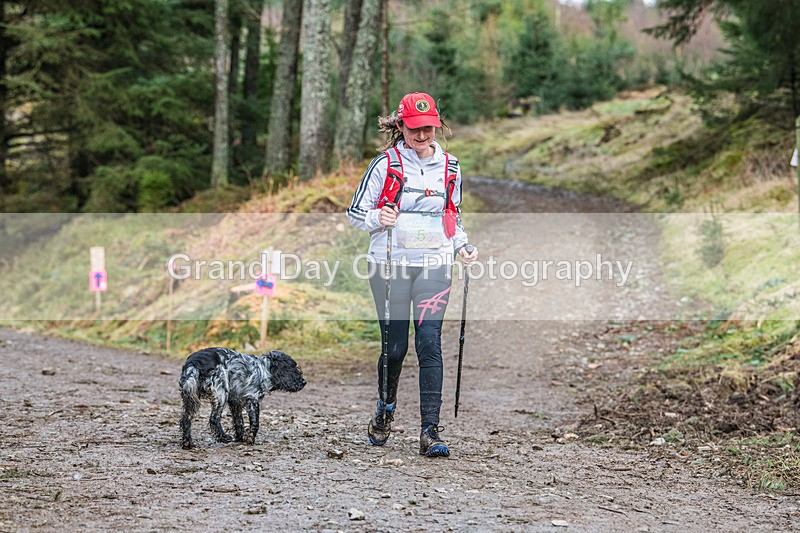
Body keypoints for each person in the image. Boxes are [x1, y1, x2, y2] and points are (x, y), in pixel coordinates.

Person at [346, 92, 478, 457]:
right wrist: (377, 218)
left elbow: (453, 216)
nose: (422, 136)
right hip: (390, 264)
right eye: (415, 129)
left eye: (429, 128)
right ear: (400, 126)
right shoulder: (384, 164)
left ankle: (430, 431)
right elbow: (355, 212)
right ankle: (385, 409)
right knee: (395, 347)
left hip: (435, 263)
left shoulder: (450, 167)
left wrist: (463, 246)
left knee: (429, 341)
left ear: (437, 125)